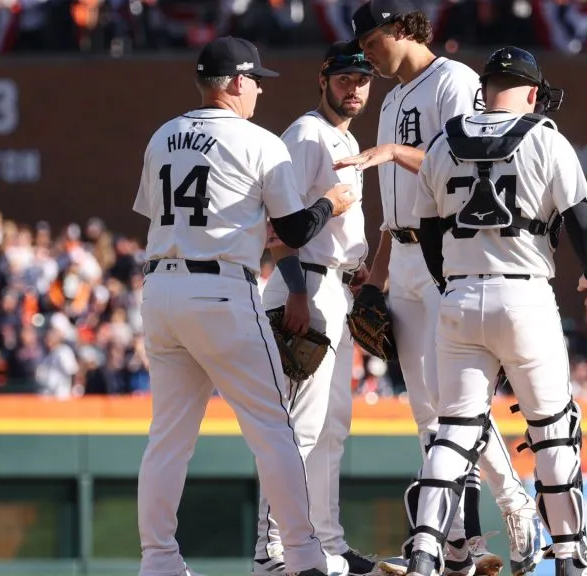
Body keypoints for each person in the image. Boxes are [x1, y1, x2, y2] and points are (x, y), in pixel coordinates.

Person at [132, 36, 356, 576]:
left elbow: (156, 213)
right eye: (255, 79)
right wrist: (332, 201)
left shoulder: (163, 135)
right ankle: (303, 555)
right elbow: (295, 229)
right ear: (235, 81)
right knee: (274, 427)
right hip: (220, 291)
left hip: (161, 292)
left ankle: (159, 560)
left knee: (168, 437)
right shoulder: (259, 141)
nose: (258, 89)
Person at [334, 2, 543, 575]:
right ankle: (459, 541)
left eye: (374, 39)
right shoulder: (395, 96)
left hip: (443, 253)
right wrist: (374, 279)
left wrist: (396, 153)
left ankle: (515, 505)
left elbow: (478, 165)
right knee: (428, 412)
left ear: (403, 28)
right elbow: (391, 209)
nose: (368, 52)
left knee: (456, 408)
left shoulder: (453, 81)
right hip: (400, 258)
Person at [409, 45, 587, 576]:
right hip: (524, 296)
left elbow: (428, 230)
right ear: (529, 90)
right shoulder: (544, 137)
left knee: (454, 429)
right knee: (552, 428)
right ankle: (571, 554)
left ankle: (426, 548)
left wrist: (448, 280)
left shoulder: (443, 140)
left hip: (458, 296)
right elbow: (582, 222)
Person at [252, 41, 378, 576]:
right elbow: (279, 225)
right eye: (346, 77)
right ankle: (273, 549)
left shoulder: (344, 138)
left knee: (331, 427)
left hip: (336, 286)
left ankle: (326, 541)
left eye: (363, 79)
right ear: (323, 79)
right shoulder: (306, 135)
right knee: (296, 427)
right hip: (302, 285)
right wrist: (298, 290)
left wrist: (360, 264)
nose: (354, 87)